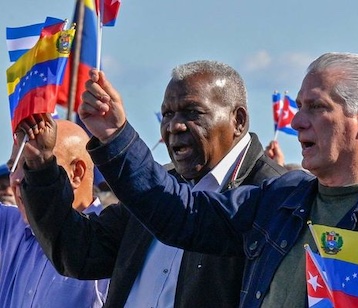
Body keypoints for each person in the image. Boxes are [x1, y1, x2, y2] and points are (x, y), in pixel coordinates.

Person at [67, 52, 358, 307]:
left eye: (315, 107)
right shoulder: (280, 198)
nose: (296, 121)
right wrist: (116, 138)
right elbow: (179, 212)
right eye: (298, 105)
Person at [19, 61, 287, 307]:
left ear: (237, 120)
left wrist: (119, 141)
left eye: (191, 112)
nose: (174, 126)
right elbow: (79, 252)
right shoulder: (156, 189)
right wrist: (41, 166)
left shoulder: (273, 196)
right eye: (167, 114)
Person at [1, 118, 107, 307]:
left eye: (31, 165)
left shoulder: (111, 243)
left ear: (76, 173)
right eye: (12, 167)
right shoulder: (8, 226)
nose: (15, 179)